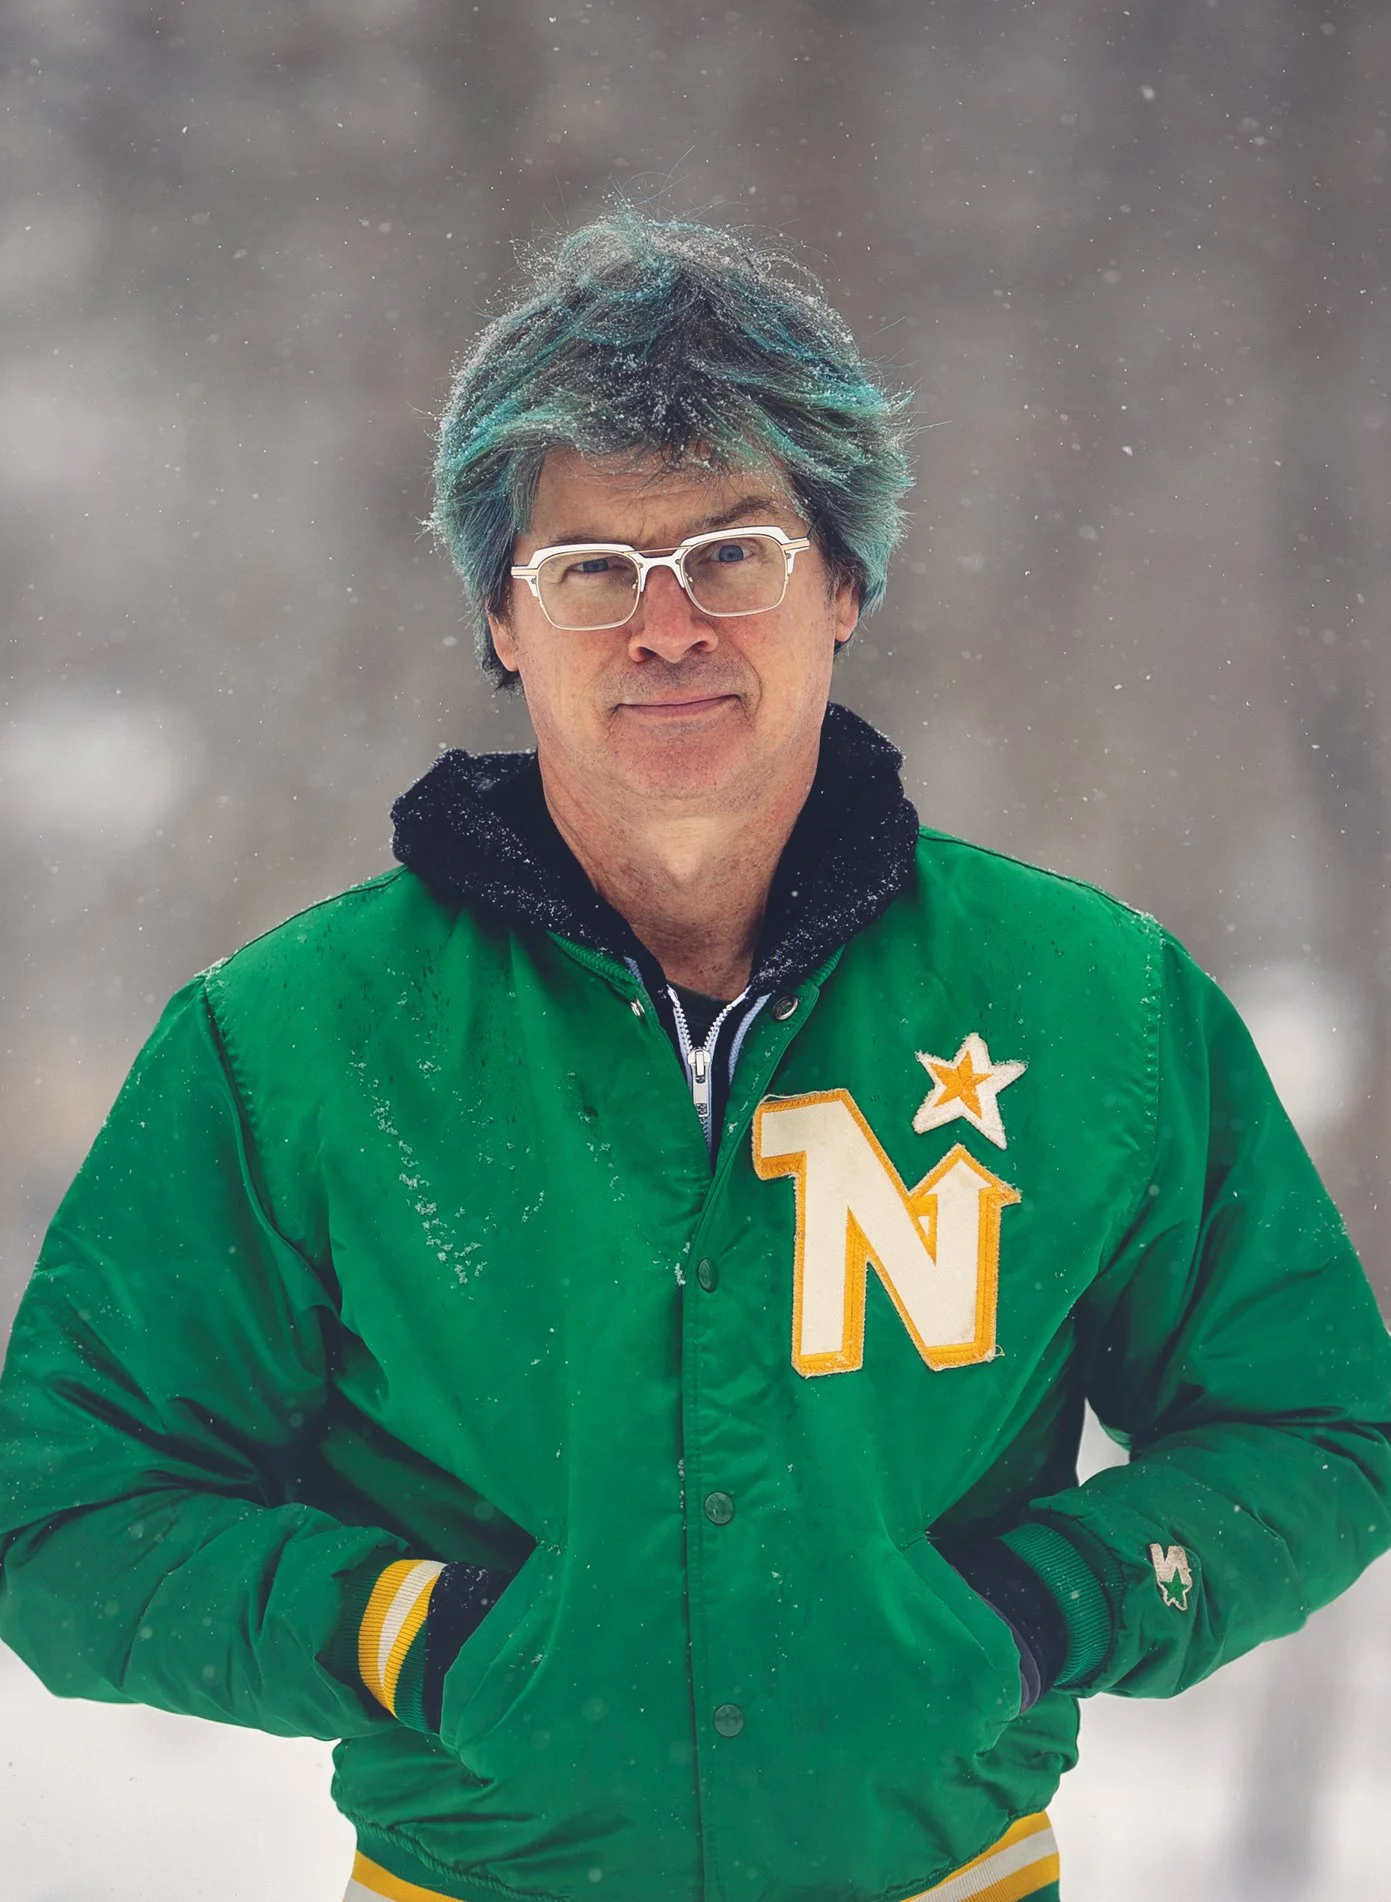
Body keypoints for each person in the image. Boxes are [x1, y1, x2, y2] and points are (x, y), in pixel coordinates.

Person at [2, 214, 1389, 1902]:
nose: (666, 626)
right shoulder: (286, 1043)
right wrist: (408, 1633)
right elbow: (64, 1518)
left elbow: (1315, 1427)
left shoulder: (1094, 1001)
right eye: (592, 570)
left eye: (733, 552)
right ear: (503, 622)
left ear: (845, 584)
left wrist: (1033, 1612)